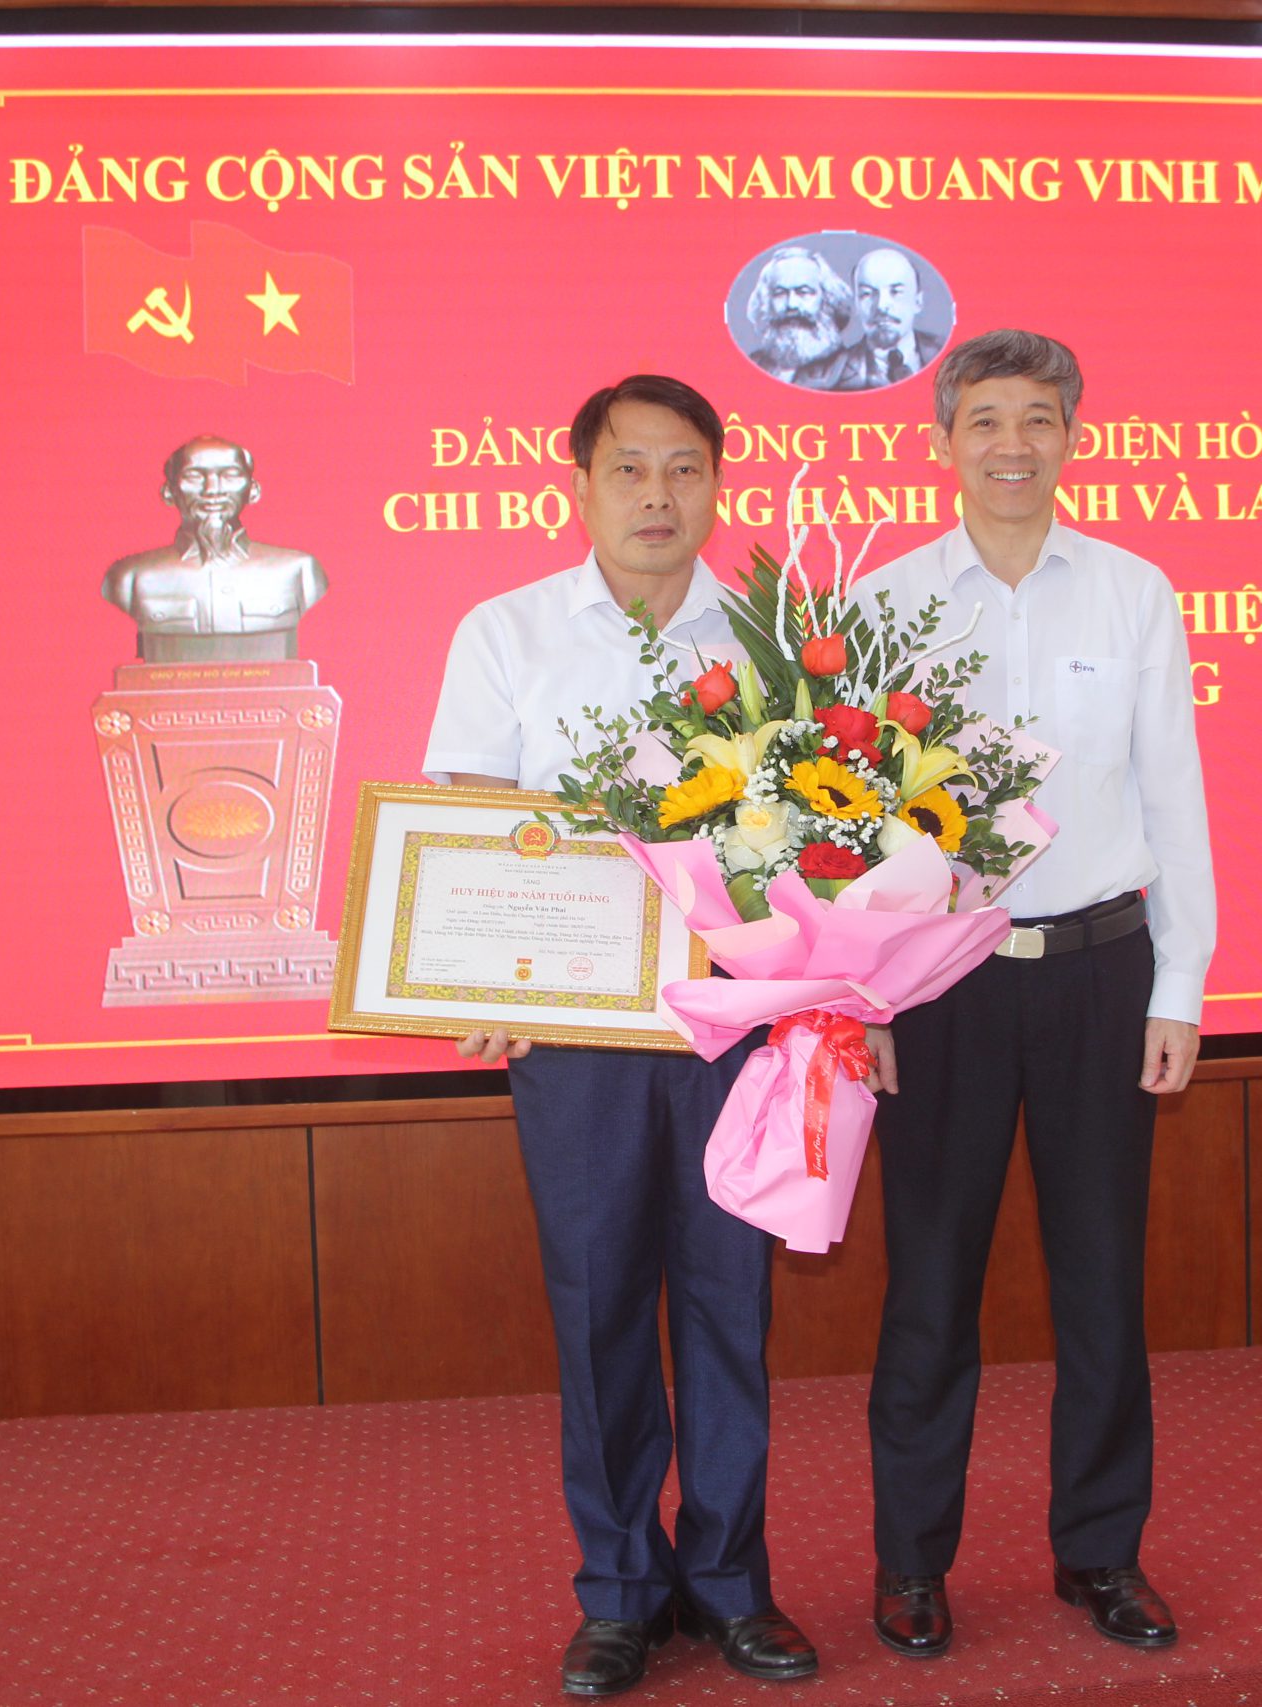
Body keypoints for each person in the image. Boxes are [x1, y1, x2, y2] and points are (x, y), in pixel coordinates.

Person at [422, 375, 820, 1698]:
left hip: (734, 1024)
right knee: (598, 1308)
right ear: (581, 484)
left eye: (685, 467)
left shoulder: (773, 641)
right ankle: (619, 1591)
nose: (659, 494)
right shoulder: (508, 631)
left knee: (728, 1303)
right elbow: (472, 819)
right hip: (576, 1032)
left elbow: (828, 833)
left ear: (717, 483)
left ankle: (731, 1579)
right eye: (631, 468)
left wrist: (828, 997)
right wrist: (481, 973)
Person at [856, 330, 1216, 1659]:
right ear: (942, 441)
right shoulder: (884, 603)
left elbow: (1174, 792)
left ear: (1072, 437)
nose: (1013, 444)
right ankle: (911, 1563)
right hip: (938, 980)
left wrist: (1180, 982)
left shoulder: (1134, 592)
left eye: (1040, 420)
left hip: (1098, 973)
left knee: (1103, 1285)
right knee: (929, 1287)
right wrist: (864, 998)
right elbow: (849, 827)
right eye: (987, 420)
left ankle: (1102, 1552)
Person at [101, 436, 324, 662]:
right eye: (194, 476)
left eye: (230, 475)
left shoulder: (299, 570)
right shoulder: (131, 576)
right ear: (168, 491)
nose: (212, 490)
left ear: (253, 490)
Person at [796, 248, 946, 391]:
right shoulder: (823, 377)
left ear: (918, 302)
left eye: (896, 292)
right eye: (867, 294)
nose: (881, 306)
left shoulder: (950, 356)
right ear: (856, 304)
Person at [741, 246, 852, 383]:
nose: (791, 304)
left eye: (803, 292)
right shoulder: (752, 364)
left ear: (827, 300)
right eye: (780, 293)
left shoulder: (849, 369)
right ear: (767, 302)